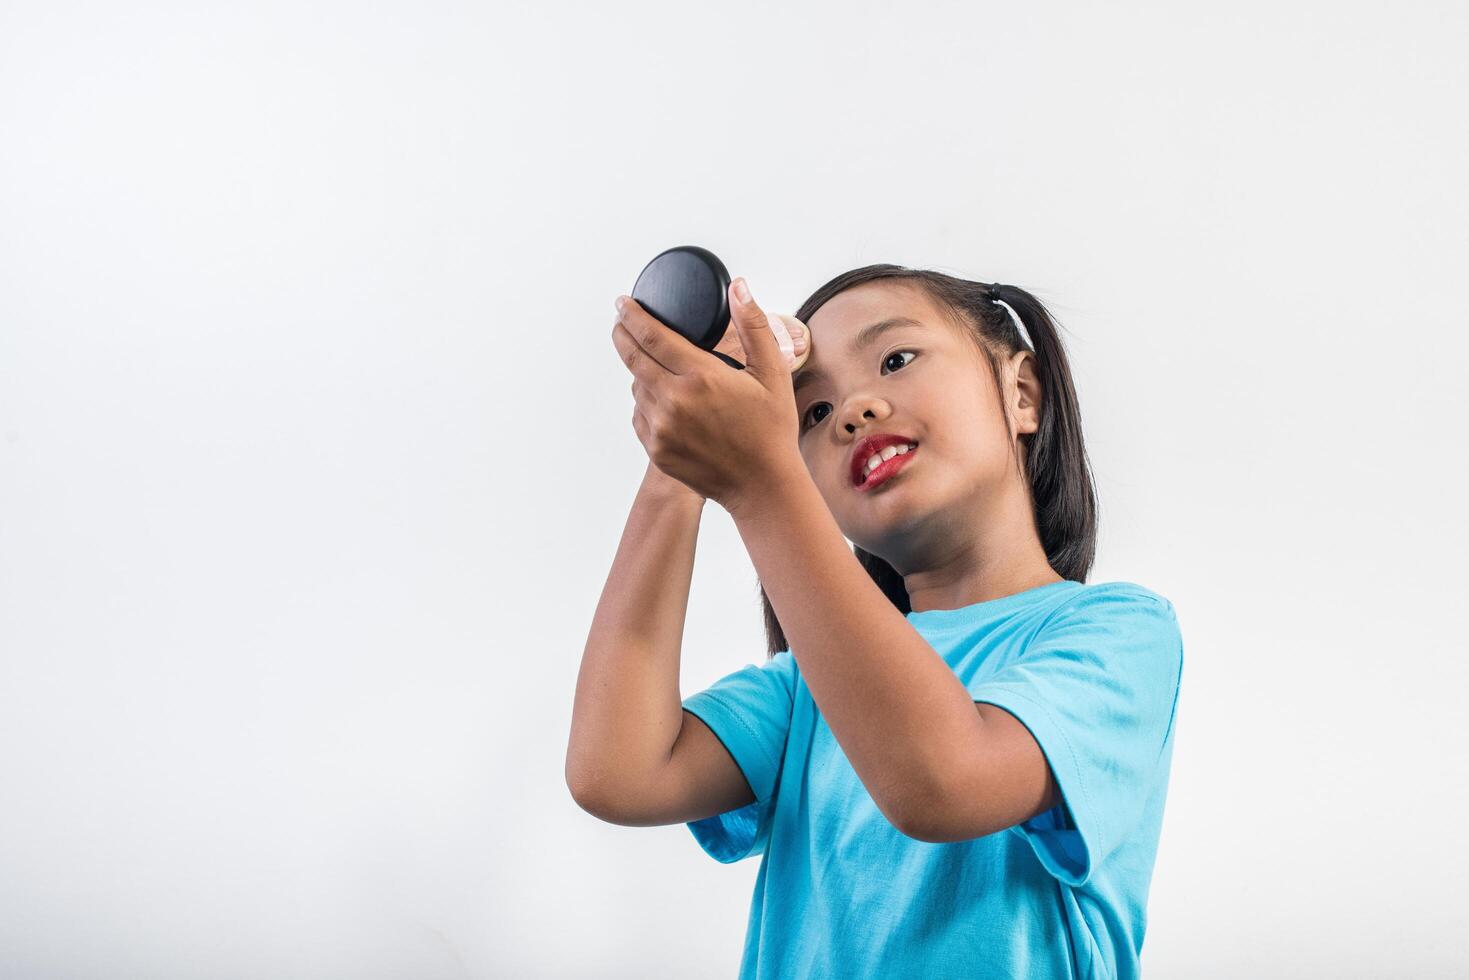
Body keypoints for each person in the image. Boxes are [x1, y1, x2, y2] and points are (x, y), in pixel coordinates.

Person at [568, 264, 1185, 980]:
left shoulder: (1116, 632)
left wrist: (758, 483)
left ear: (1020, 393)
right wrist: (677, 468)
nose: (854, 410)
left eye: (894, 360)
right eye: (812, 414)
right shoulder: (808, 689)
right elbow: (617, 773)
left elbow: (943, 782)